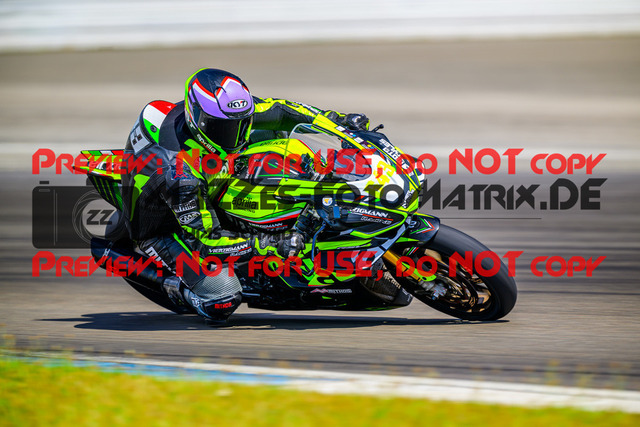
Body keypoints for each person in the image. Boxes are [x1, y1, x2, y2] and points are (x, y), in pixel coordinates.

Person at [121, 68, 369, 322]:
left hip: (211, 180)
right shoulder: (180, 172)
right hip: (166, 229)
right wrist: (271, 243)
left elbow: (283, 111)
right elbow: (206, 242)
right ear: (199, 120)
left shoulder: (228, 113)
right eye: (224, 129)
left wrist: (338, 123)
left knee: (278, 139)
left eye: (242, 124)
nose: (237, 135)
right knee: (222, 299)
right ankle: (182, 289)